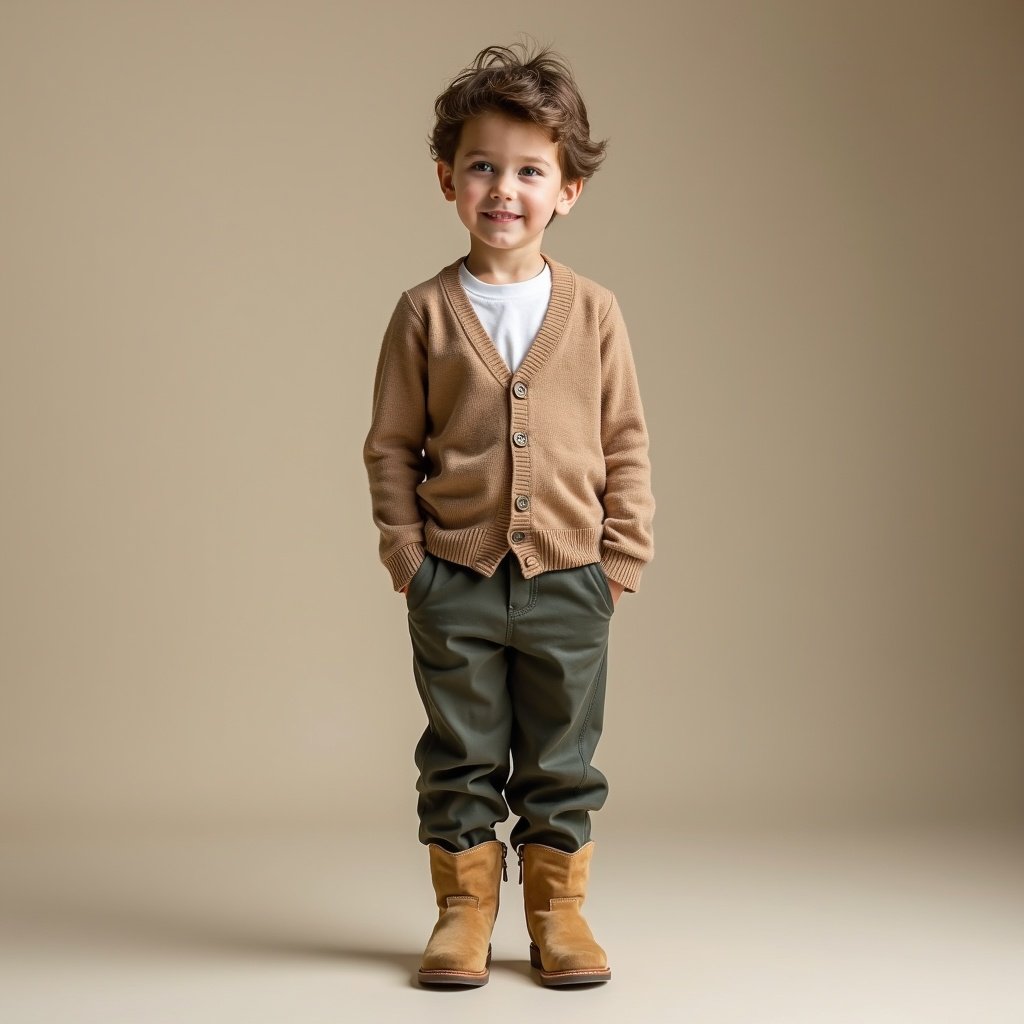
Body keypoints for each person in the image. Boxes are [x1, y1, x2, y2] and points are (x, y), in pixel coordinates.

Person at [362, 41, 655, 988]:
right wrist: (411, 559)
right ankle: (462, 912)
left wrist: (620, 561)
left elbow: (626, 442)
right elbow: (390, 445)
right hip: (457, 575)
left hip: (572, 577)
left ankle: (559, 912)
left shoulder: (596, 312)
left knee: (563, 755)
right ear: (448, 178)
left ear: (566, 189)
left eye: (530, 170)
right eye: (483, 166)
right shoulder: (424, 313)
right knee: (461, 750)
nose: (504, 189)